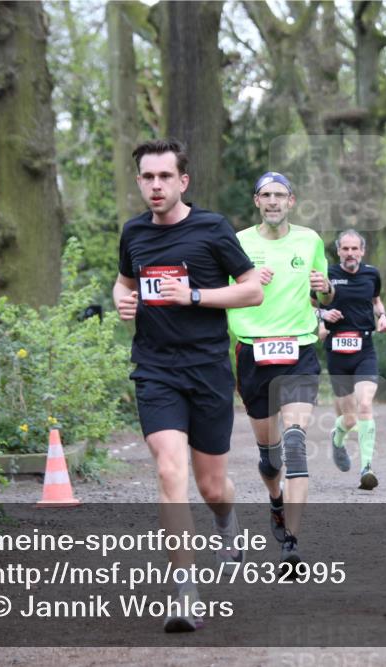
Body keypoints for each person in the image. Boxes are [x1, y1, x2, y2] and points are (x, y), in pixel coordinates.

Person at [112, 138, 263, 631]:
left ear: (183, 181)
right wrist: (123, 300)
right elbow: (124, 282)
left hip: (207, 370)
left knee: (211, 484)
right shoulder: (133, 233)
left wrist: (194, 294)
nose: (155, 186)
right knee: (169, 472)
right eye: (147, 178)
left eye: (164, 177)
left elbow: (252, 289)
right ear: (139, 182)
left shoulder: (212, 228)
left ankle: (226, 519)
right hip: (155, 369)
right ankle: (185, 592)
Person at [227, 171, 333, 565]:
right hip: (253, 354)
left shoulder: (310, 240)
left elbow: (325, 288)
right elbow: (224, 293)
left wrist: (327, 286)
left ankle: (291, 542)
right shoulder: (238, 243)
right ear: (257, 201)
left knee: (295, 443)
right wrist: (249, 282)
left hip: (299, 349)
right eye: (265, 195)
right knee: (270, 460)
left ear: (292, 201)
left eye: (280, 195)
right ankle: (275, 500)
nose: (273, 201)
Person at [319, 230, 386, 490]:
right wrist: (324, 315)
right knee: (349, 419)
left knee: (365, 406)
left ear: (362, 251)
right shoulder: (328, 276)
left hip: (364, 349)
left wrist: (382, 316)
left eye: (354, 249)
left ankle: (367, 467)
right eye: (345, 249)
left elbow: (376, 300)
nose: (350, 253)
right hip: (337, 353)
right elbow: (310, 304)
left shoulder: (372, 274)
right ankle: (337, 439)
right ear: (338, 252)